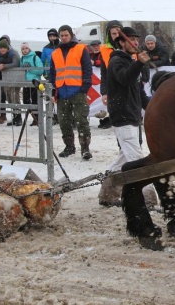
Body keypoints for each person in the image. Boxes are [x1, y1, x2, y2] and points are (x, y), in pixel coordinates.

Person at [98, 27, 151, 206]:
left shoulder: (131, 61)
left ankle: (107, 192)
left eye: (137, 40)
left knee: (124, 156)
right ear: (122, 42)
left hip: (133, 115)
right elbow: (125, 79)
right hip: (123, 115)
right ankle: (148, 199)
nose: (135, 43)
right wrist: (138, 64)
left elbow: (139, 91)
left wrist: (152, 108)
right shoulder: (117, 62)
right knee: (136, 159)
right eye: (132, 39)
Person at [49, 25, 93, 160]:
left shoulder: (81, 49)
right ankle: (69, 147)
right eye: (61, 35)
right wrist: (53, 91)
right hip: (62, 92)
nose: (63, 37)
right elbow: (52, 73)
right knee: (64, 121)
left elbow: (87, 69)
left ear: (71, 35)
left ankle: (85, 148)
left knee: (81, 120)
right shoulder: (55, 53)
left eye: (66, 35)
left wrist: (85, 88)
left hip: (78, 91)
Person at [0, 38, 22, 126]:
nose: (2, 49)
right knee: (9, 98)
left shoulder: (13, 53)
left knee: (15, 98)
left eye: (4, 48)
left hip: (15, 79)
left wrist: (4, 66)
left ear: (7, 48)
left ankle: (19, 117)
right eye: (0, 48)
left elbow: (16, 63)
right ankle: (14, 116)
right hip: (6, 79)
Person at [19, 42, 44, 126]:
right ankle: (34, 117)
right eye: (23, 49)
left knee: (35, 101)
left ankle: (37, 118)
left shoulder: (35, 57)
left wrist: (30, 69)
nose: (25, 50)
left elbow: (40, 71)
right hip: (26, 83)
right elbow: (21, 70)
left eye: (26, 48)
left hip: (35, 82)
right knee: (26, 101)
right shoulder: (22, 59)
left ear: (29, 49)